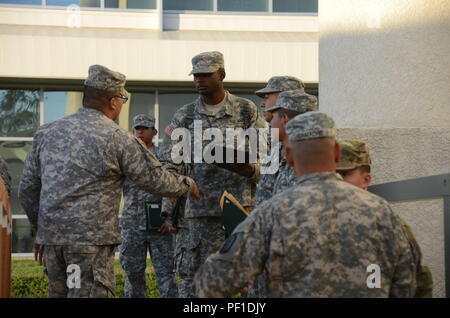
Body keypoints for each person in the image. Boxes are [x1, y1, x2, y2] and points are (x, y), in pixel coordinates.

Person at [18, 64, 200, 298]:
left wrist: (42, 231)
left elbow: (27, 190)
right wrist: (189, 185)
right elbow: (153, 179)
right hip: (90, 245)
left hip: (54, 243)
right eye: (123, 99)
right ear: (114, 101)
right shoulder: (116, 137)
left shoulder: (47, 132)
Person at [194, 111, 417, 298]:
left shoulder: (270, 215)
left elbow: (210, 284)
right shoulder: (381, 212)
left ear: (288, 157)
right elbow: (406, 285)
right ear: (337, 152)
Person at [159, 51, 266, 298]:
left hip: (240, 209)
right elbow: (171, 165)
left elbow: (264, 155)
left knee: (247, 278)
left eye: (206, 74)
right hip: (198, 214)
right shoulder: (184, 115)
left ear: (222, 74)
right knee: (194, 279)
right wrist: (168, 212)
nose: (200, 80)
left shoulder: (245, 110)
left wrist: (250, 169)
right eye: (196, 75)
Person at [336, 139, 433, 297]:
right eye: (333, 175)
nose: (337, 182)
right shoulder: (317, 222)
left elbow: (419, 282)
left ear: (365, 180)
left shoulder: (388, 224)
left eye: (345, 174)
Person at [248, 89, 317, 297]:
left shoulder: (311, 158)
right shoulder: (280, 151)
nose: (269, 122)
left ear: (285, 118)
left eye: (274, 116)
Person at [119, 114, 178, 298]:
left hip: (158, 226)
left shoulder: (163, 156)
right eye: (137, 128)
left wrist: (168, 217)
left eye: (145, 128)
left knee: (166, 275)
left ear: (154, 132)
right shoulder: (125, 158)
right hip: (131, 226)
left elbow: (172, 186)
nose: (141, 132)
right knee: (132, 275)